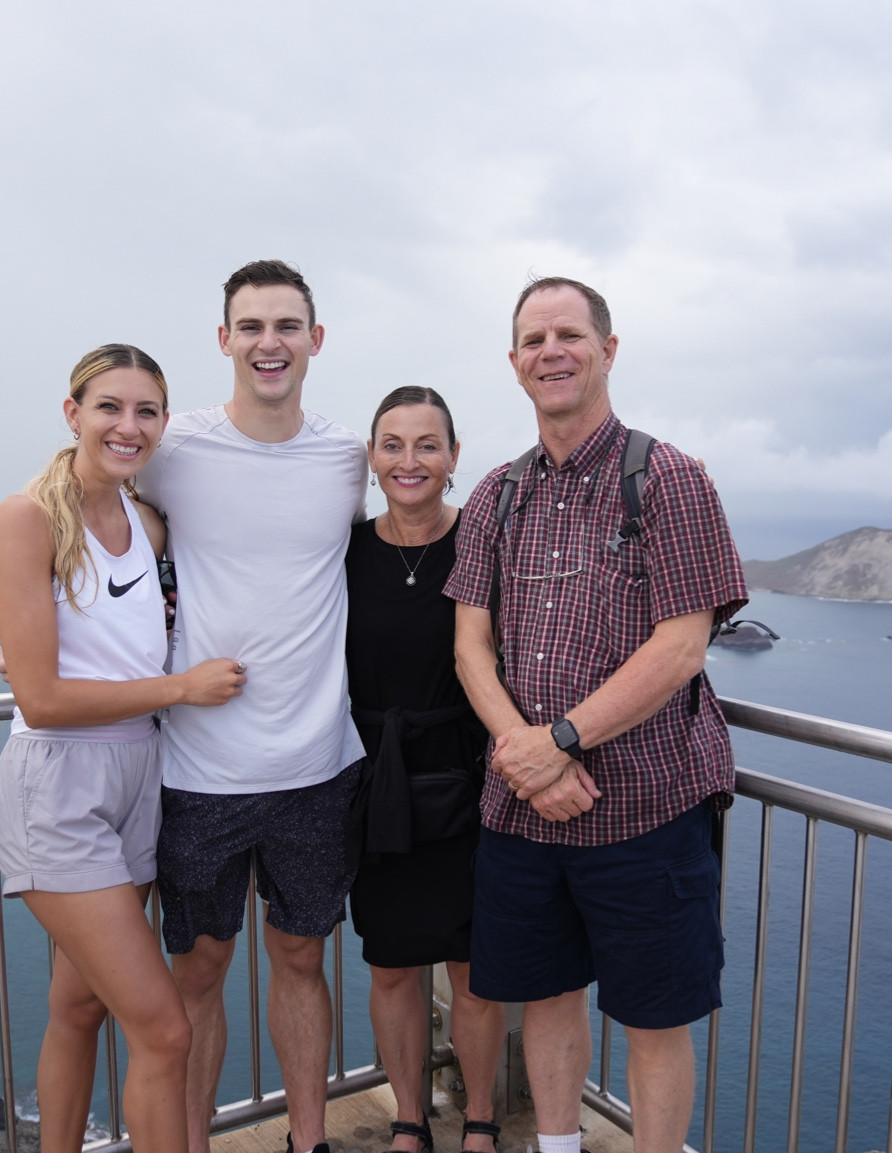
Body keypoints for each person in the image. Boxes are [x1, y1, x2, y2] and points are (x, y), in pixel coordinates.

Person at [444, 278, 749, 1153]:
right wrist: (528, 756)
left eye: (569, 334)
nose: (552, 351)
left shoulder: (669, 479)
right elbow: (471, 647)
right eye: (533, 339)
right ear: (513, 364)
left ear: (608, 349)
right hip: (524, 808)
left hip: (645, 808)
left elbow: (682, 646)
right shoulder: (500, 493)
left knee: (656, 1017)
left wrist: (561, 742)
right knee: (545, 994)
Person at [0, 344, 249, 1153]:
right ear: (73, 413)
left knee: (79, 1006)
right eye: (110, 406)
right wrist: (182, 688)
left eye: (146, 411)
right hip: (59, 786)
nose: (128, 426)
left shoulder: (147, 522)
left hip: (140, 775)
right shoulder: (25, 518)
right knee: (165, 1031)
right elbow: (43, 698)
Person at [133, 260, 370, 1153]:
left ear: (316, 339)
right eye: (251, 326)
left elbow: (414, 524)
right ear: (223, 338)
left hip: (318, 766)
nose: (269, 342)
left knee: (301, 959)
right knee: (197, 971)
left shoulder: (348, 458)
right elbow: (89, 513)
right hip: (199, 768)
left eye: (287, 325)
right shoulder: (175, 449)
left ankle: (305, 1142)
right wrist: (31, 615)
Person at [345, 387, 505, 1153]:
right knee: (390, 965)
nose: (410, 461)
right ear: (372, 458)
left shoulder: (483, 540)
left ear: (452, 456)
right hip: (375, 786)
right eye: (393, 444)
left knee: (472, 970)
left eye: (427, 444)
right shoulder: (344, 550)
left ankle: (480, 1118)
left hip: (471, 779)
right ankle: (410, 1117)